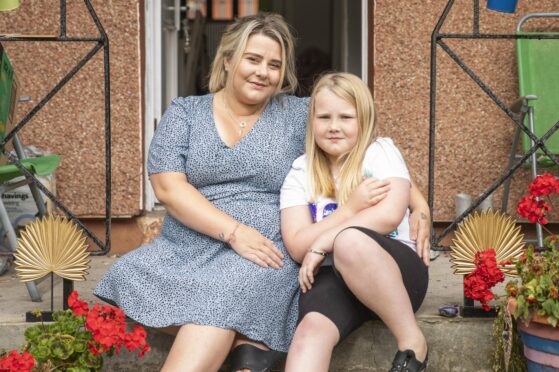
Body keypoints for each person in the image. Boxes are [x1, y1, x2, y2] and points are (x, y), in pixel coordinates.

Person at [94, 13, 430, 372]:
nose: (262, 72)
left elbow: (363, 143)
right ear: (227, 61)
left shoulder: (299, 113)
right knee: (132, 274)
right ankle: (248, 345)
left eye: (274, 64)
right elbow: (168, 187)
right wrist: (234, 233)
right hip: (191, 242)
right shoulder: (185, 113)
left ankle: (246, 344)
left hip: (265, 247)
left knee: (222, 297)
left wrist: (418, 204)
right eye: (252, 59)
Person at [280, 73, 429, 372]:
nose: (334, 126)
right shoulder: (301, 172)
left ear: (364, 120)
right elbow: (297, 245)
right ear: (311, 123)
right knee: (309, 333)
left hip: (393, 274)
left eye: (346, 117)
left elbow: (387, 216)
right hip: (332, 278)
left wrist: (323, 240)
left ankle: (412, 340)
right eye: (324, 117)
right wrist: (349, 209)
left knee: (350, 241)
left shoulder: (380, 154)